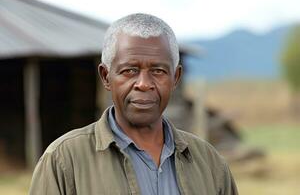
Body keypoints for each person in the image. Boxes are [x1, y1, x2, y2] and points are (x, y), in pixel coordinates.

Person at [29, 13, 238, 195]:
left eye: (158, 71)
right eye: (129, 70)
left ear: (175, 78)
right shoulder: (64, 160)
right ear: (106, 77)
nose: (144, 84)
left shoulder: (210, 163)